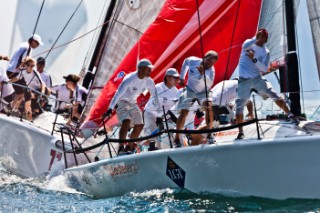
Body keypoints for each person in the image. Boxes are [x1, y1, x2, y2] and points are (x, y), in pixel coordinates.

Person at [235, 29, 293, 140]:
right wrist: (255, 38)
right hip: (243, 80)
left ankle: (289, 114)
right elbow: (244, 46)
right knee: (239, 106)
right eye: (259, 35)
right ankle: (241, 132)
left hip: (257, 78)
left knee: (272, 94)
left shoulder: (266, 51)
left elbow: (265, 68)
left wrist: (254, 59)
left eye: (262, 36)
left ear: (266, 39)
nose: (260, 38)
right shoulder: (248, 43)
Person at [103, 58, 160, 154]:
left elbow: (155, 97)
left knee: (140, 125)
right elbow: (118, 94)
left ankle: (129, 147)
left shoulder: (149, 81)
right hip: (122, 101)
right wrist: (110, 108)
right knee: (126, 121)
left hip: (133, 103)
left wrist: (158, 114)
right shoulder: (129, 79)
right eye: (148, 69)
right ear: (141, 69)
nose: (150, 71)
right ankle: (121, 148)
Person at [174, 50, 218, 147]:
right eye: (209, 61)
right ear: (204, 57)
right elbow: (185, 62)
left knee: (209, 107)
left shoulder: (211, 70)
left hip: (203, 92)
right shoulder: (193, 60)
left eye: (213, 62)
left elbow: (210, 83)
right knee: (184, 112)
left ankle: (210, 134)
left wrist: (203, 75)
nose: (210, 64)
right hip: (190, 90)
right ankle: (177, 138)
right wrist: (182, 77)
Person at [142, 68, 180, 150]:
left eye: (177, 78)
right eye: (175, 78)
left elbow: (176, 108)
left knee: (160, 140)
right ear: (168, 78)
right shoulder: (158, 87)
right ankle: (136, 145)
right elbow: (156, 104)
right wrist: (160, 116)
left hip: (163, 117)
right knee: (152, 138)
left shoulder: (176, 91)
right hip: (150, 113)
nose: (177, 80)